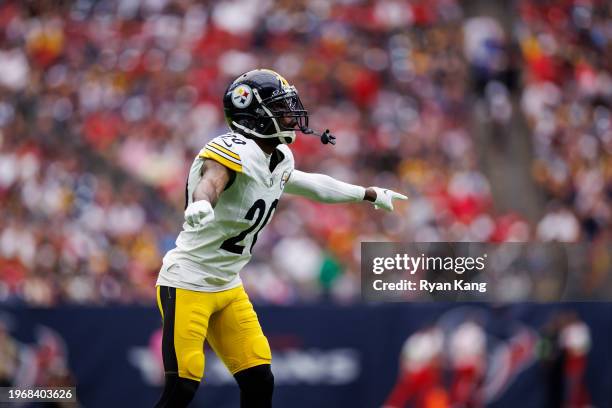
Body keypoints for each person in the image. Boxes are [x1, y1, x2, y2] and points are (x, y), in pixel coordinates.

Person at [154, 69, 407, 408]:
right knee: (182, 386)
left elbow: (313, 184)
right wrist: (201, 202)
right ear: (254, 115)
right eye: (280, 107)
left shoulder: (279, 157)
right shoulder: (233, 149)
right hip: (188, 281)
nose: (291, 114)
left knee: (259, 381)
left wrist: (368, 192)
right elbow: (212, 179)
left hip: (228, 284)